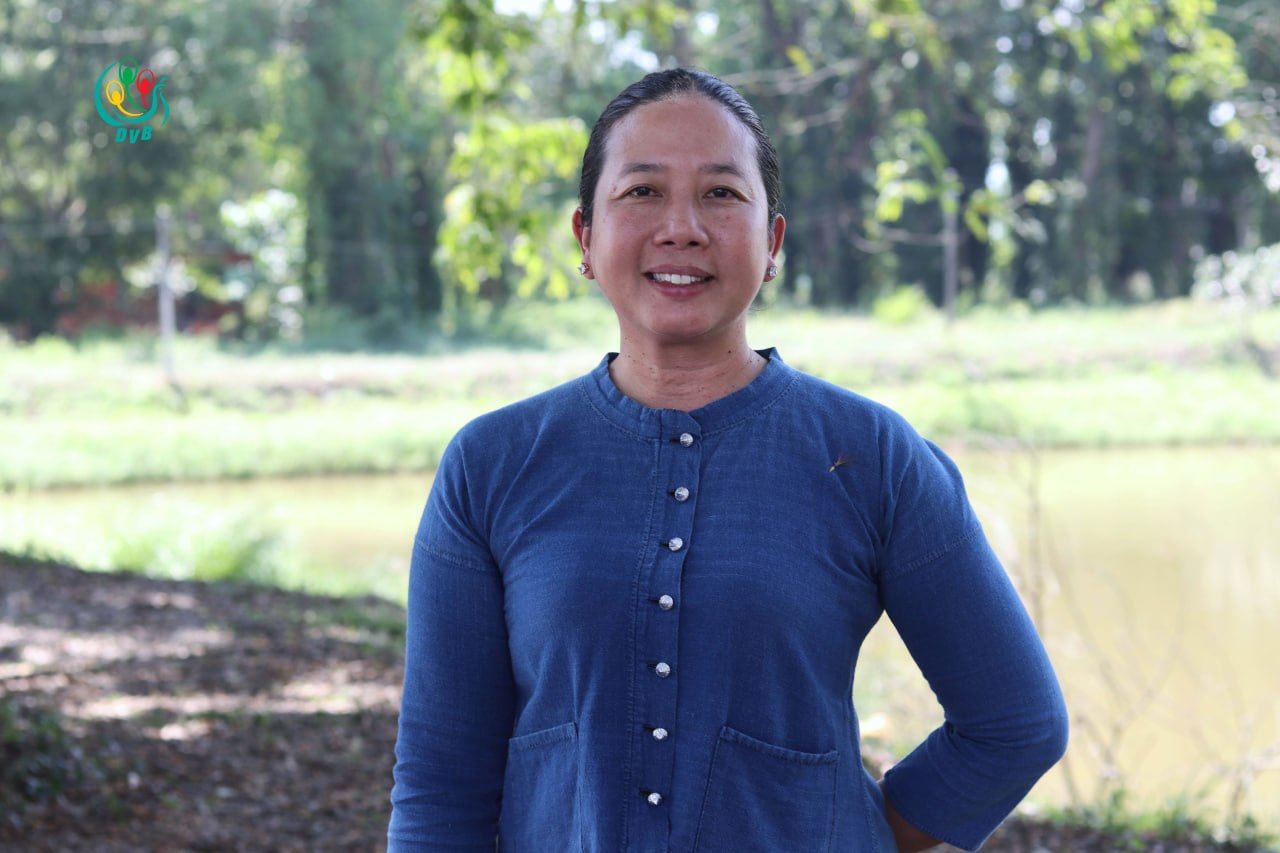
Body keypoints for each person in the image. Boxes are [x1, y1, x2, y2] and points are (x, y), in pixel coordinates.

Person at [388, 68, 1068, 853]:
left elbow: (1015, 722)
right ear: (585, 237)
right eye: (641, 192)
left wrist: (854, 831)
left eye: (721, 194)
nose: (682, 227)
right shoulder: (494, 464)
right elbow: (442, 780)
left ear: (772, 241)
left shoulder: (872, 457)